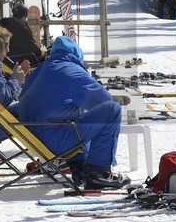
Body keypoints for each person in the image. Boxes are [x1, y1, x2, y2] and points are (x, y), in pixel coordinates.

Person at [11, 35, 126, 190]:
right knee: (112, 111)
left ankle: (79, 165)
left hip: (32, 138)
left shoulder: (39, 71)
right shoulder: (74, 72)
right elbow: (105, 101)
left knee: (73, 116)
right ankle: (99, 173)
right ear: (77, 56)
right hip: (55, 141)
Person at [0, 2, 43, 68]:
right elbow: (32, 47)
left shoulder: (4, 25)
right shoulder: (21, 29)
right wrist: (41, 54)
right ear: (24, 17)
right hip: (17, 62)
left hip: (4, 60)